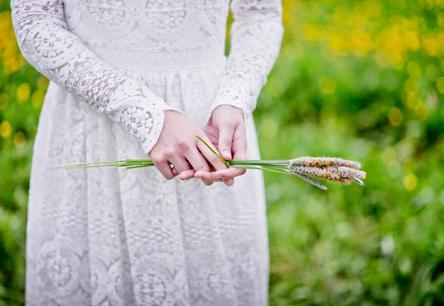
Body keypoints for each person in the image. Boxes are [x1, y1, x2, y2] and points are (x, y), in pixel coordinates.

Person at [10, 0, 283, 305]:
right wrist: (144, 113)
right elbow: (35, 22)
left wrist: (235, 97)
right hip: (94, 128)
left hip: (207, 129)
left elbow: (260, 15)